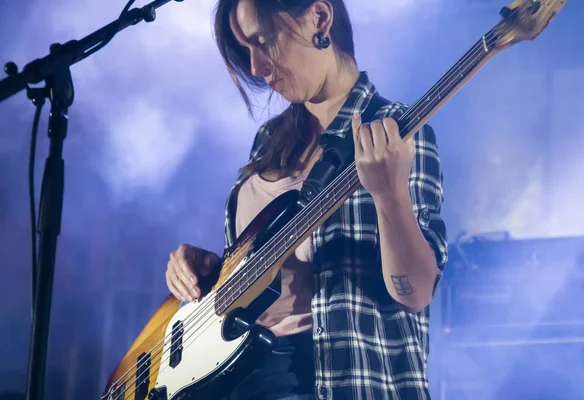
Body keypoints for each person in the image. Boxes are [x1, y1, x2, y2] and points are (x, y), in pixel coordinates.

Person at [165, 0, 448, 399]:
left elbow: (416, 292)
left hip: (333, 380)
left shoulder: (397, 131)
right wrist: (211, 272)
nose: (256, 68)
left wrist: (390, 197)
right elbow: (265, 270)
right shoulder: (268, 140)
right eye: (245, 50)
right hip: (235, 380)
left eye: (264, 41)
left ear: (319, 17)